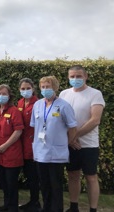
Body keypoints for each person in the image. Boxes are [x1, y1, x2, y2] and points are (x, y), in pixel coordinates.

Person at [59, 65, 105, 212]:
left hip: (88, 144)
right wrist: (69, 139)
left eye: (79, 76)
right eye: (72, 76)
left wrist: (74, 136)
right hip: (70, 144)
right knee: (73, 175)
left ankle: (93, 209)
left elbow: (95, 120)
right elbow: (60, 119)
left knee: (90, 177)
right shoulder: (64, 94)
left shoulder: (95, 94)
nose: (75, 79)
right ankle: (74, 207)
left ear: (86, 76)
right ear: (68, 78)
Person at [30, 76, 77, 212]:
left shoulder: (64, 105)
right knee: (44, 184)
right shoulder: (37, 105)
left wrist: (68, 142)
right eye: (43, 87)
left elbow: (72, 127)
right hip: (40, 151)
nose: (45, 89)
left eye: (48, 87)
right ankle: (46, 208)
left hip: (57, 152)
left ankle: (56, 209)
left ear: (55, 88)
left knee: (55, 185)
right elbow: (35, 125)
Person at [0, 84, 24, 212]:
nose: (1, 96)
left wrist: (4, 146)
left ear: (9, 96)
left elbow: (18, 131)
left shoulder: (14, 111)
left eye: (4, 94)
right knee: (3, 182)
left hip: (11, 153)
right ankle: (6, 204)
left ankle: (13, 207)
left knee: (11, 182)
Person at [16, 78, 41, 211]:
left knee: (34, 175)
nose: (25, 91)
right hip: (22, 144)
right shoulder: (20, 102)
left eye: (28, 88)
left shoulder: (38, 103)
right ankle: (33, 201)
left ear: (33, 88)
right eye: (23, 89)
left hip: (34, 143)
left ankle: (35, 202)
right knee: (28, 174)